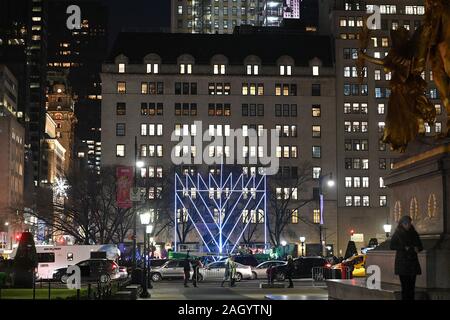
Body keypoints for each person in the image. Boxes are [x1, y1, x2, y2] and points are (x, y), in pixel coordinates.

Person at [390, 215, 423, 300]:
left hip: (412, 263)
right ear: (402, 224)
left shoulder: (414, 233)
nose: (408, 225)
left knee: (411, 287)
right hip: (402, 263)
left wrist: (417, 248)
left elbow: (420, 246)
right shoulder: (397, 234)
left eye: (409, 223)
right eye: (406, 223)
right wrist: (404, 248)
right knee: (405, 287)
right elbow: (392, 246)